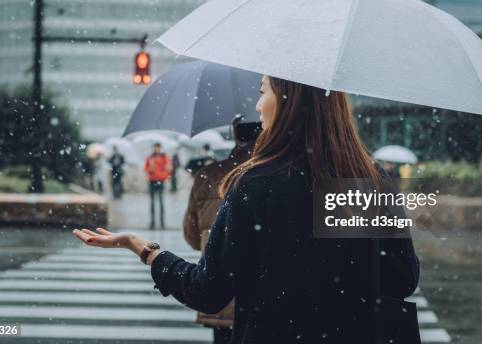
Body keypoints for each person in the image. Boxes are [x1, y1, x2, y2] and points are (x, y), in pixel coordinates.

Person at [73, 75, 420, 343]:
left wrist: (143, 248)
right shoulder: (364, 179)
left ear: (288, 101)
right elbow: (401, 279)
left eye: (263, 91)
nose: (257, 105)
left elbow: (206, 291)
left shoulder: (258, 184)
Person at [183, 118, 261, 344]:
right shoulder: (274, 174)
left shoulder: (208, 175)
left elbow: (191, 235)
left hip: (219, 292)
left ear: (235, 135)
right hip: (262, 297)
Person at [144, 143, 172, 229]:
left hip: (160, 181)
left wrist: (162, 175)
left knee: (161, 202)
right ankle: (152, 222)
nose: (157, 149)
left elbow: (168, 169)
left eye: (158, 148)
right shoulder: (150, 157)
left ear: (160, 148)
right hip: (152, 181)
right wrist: (150, 170)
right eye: (155, 148)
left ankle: (162, 223)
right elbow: (146, 168)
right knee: (152, 202)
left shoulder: (164, 157)